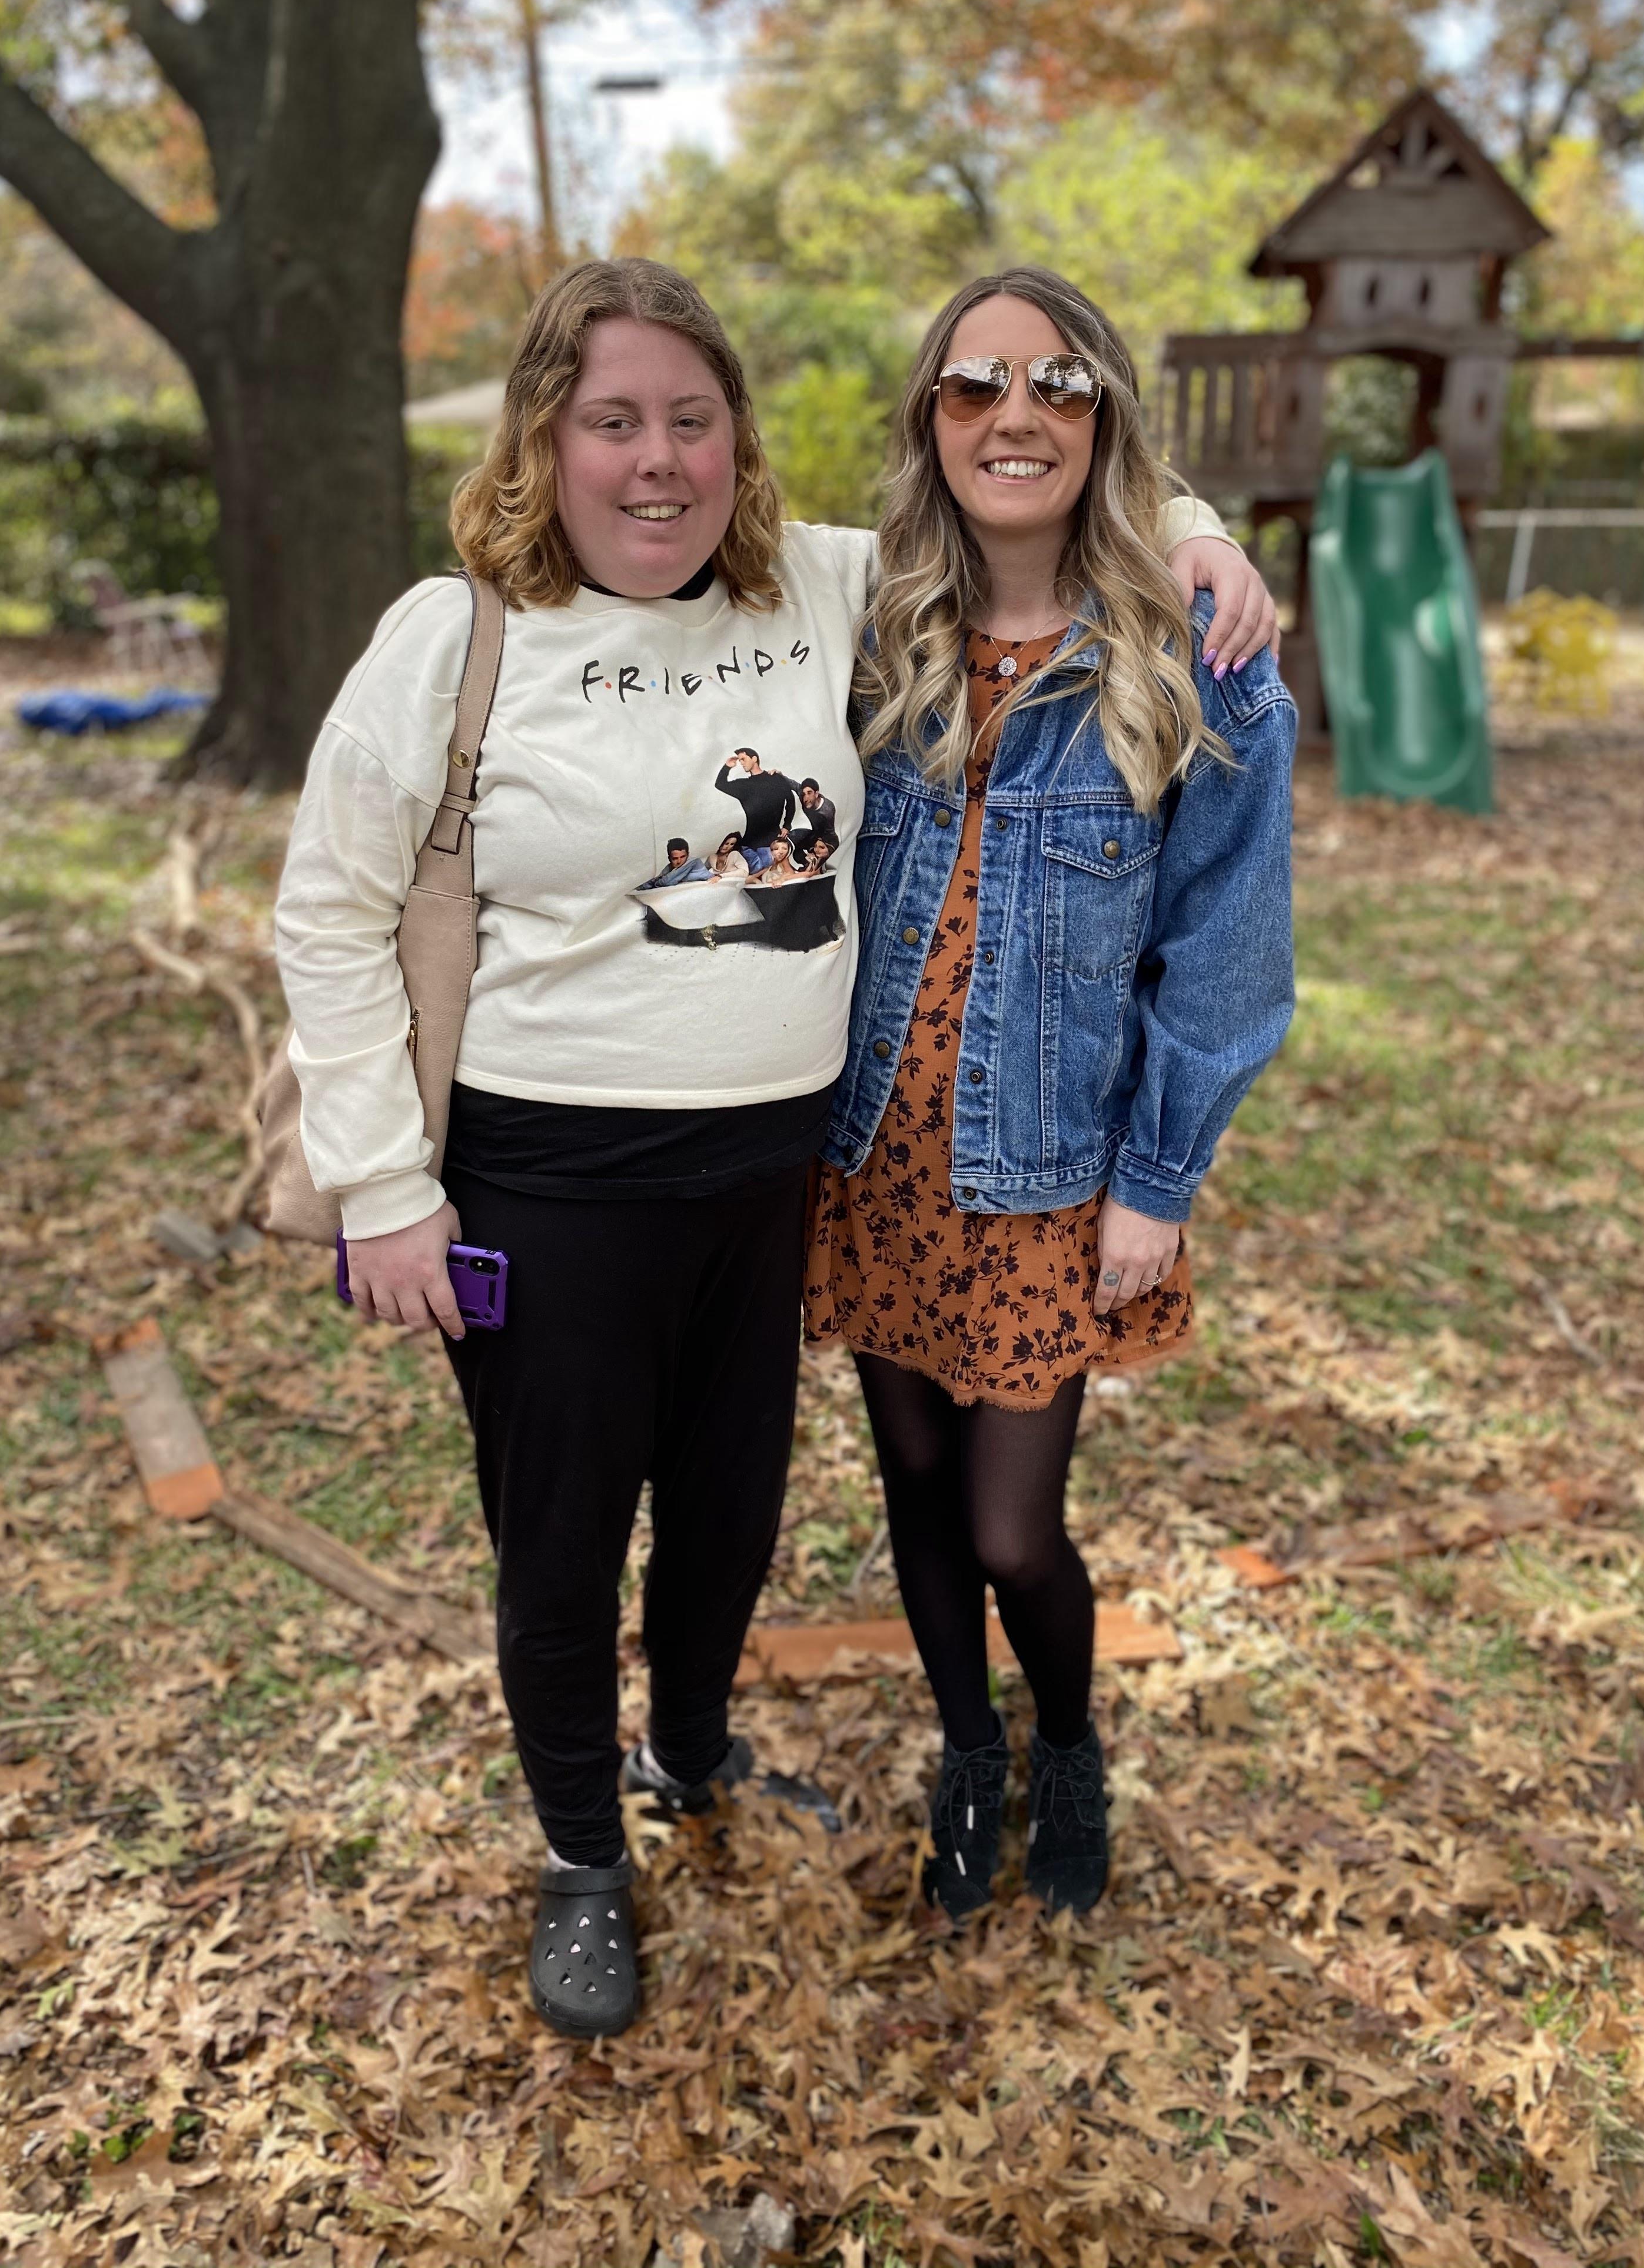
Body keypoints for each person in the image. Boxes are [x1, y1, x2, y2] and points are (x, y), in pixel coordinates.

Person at [273, 256, 1277, 2041]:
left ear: (742, 442)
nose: (654, 462)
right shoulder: (460, 638)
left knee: (730, 1520)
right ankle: (587, 1858)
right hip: (549, 1184)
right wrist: (383, 1186)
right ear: (543, 441)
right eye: (610, 423)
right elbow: (331, 920)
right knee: (564, 1542)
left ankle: (696, 1747)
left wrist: (1198, 529)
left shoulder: (819, 590)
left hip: (777, 1185)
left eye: (689, 420)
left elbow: (1034, 478)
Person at [806, 267, 1296, 1924]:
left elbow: (1224, 952)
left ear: (1105, 418)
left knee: (1017, 1529)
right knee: (917, 1495)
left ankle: (1068, 1739)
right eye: (974, 388)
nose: (1014, 416)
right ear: (929, 424)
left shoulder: (1196, 659)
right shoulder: (868, 634)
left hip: (1055, 1175)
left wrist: (1159, 1185)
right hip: (877, 1158)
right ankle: (970, 1748)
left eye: (1059, 385)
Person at [715, 747, 801, 844]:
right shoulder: (743, 786)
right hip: (749, 843)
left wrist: (787, 826)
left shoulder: (775, 778)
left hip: (772, 841)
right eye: (740, 761)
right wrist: (727, 766)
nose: (741, 763)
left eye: (743, 759)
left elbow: (791, 800)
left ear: (754, 759)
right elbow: (720, 784)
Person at [790, 777, 836, 859]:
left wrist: (827, 849)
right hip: (814, 834)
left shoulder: (827, 810)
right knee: (794, 836)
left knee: (821, 852)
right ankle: (807, 864)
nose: (806, 799)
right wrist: (777, 774)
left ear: (816, 794)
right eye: (804, 794)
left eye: (809, 793)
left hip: (825, 839)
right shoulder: (804, 798)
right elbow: (792, 783)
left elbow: (831, 834)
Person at [643, 838, 712, 888]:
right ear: (669, 859)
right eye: (675, 858)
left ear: (688, 855)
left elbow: (666, 882)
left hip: (711, 885)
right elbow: (657, 879)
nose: (679, 861)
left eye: (683, 857)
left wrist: (656, 882)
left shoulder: (693, 862)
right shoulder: (671, 867)